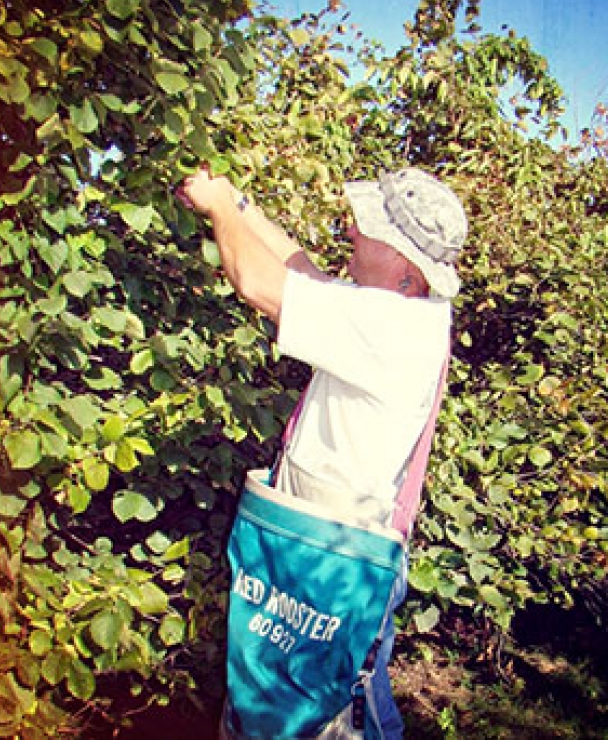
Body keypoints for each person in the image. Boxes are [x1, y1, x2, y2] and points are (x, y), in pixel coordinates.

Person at [177, 166, 467, 738]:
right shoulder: (400, 306)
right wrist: (239, 202)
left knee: (337, 708)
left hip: (336, 545)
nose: (353, 234)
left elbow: (260, 284)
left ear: (408, 270)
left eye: (370, 232)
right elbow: (302, 271)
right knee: (352, 689)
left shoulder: (389, 326)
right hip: (336, 538)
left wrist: (215, 209)